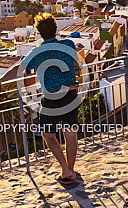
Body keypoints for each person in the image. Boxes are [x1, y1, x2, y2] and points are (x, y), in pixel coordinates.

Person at [21, 13, 82, 184]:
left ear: (40, 32)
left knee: (48, 134)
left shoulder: (38, 52)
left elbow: (20, 69)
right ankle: (71, 170)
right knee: (70, 134)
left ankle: (65, 170)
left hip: (52, 99)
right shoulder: (68, 44)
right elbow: (76, 63)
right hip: (71, 95)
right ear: (55, 29)